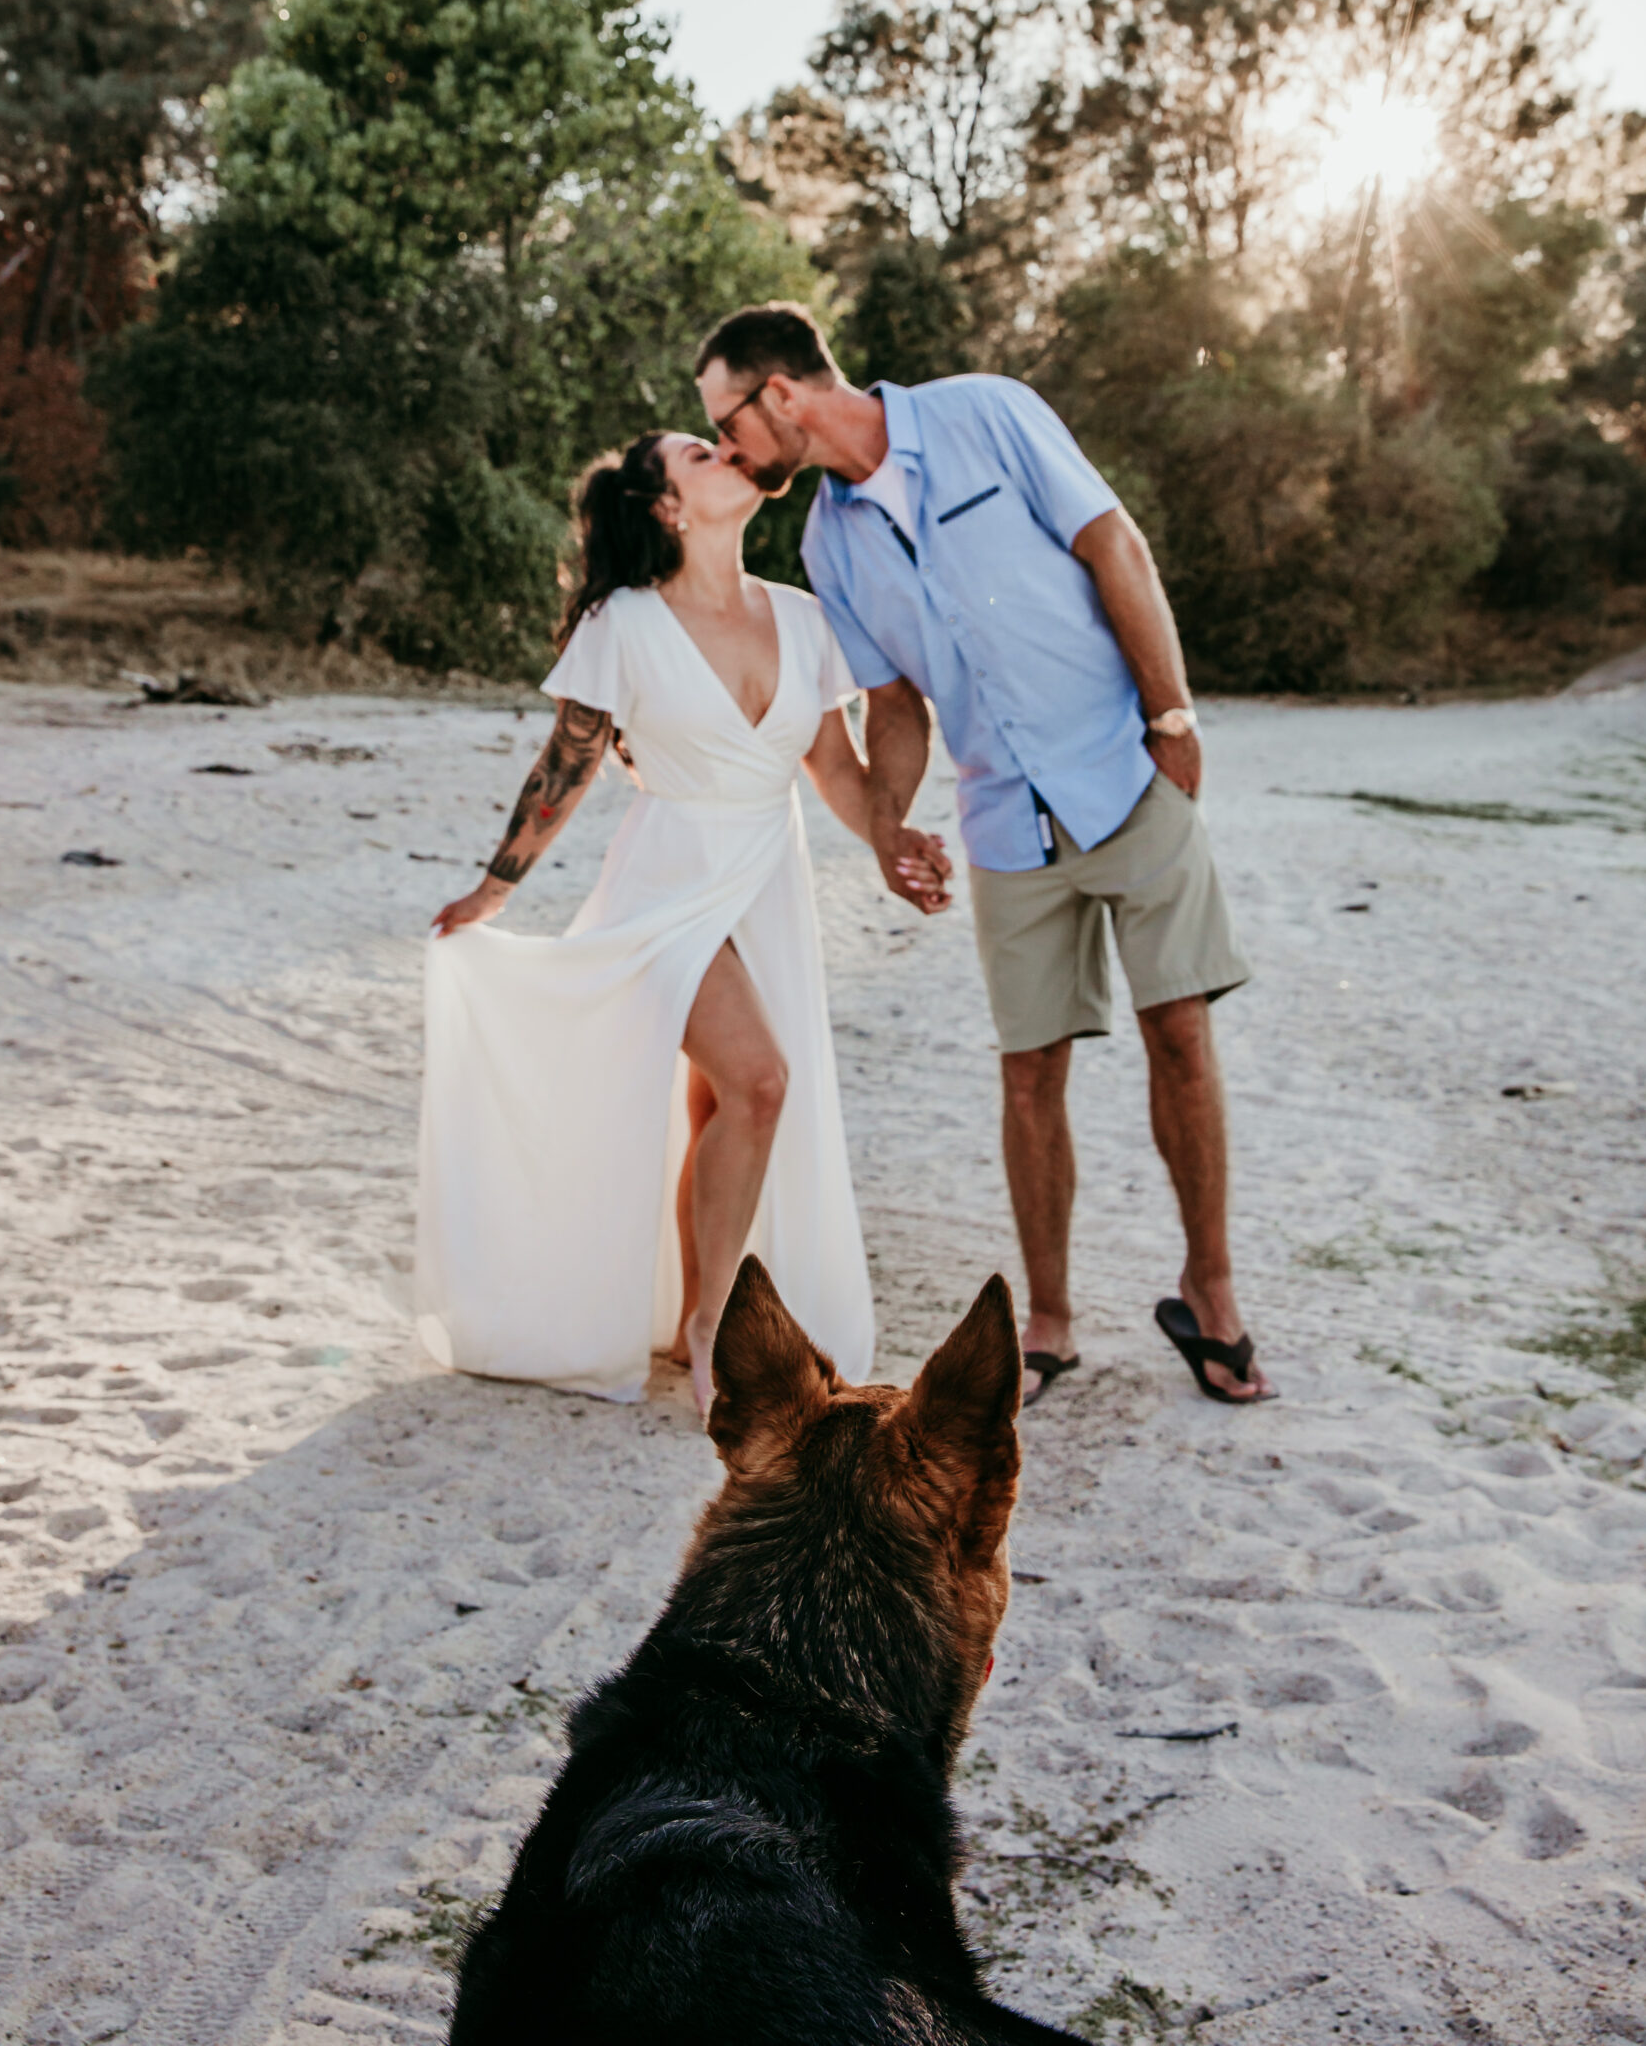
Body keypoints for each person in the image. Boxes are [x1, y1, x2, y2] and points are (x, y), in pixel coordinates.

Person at [695, 304, 1272, 1407]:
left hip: (1124, 771)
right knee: (1028, 1075)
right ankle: (1048, 1324)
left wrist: (1173, 717)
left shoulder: (989, 413)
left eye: (725, 423)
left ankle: (1211, 1291)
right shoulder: (826, 541)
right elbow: (896, 703)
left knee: (1183, 1035)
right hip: (1005, 821)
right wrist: (888, 824)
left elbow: (1115, 544)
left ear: (779, 395)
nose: (728, 451)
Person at [420, 429, 922, 1416]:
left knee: (721, 1101)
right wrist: (495, 890)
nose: (726, 451)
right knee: (760, 1081)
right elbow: (567, 760)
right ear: (667, 508)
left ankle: (697, 1306)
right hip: (667, 883)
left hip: (767, 879)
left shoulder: (804, 617)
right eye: (699, 453)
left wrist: (897, 846)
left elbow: (836, 772)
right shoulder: (625, 622)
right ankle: (712, 1327)